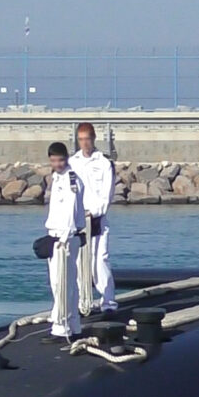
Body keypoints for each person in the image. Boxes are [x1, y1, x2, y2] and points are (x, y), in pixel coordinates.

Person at [41, 141, 88, 339]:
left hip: (64, 238)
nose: (57, 164)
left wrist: (62, 239)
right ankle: (73, 325)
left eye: (60, 160)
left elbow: (70, 211)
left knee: (62, 283)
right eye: (54, 160)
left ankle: (62, 328)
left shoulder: (71, 180)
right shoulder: (57, 177)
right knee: (66, 283)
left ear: (66, 159)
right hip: (59, 236)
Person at [70, 121, 116, 311]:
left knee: (100, 261)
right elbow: (70, 190)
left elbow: (107, 194)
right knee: (81, 264)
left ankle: (108, 302)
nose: (84, 144)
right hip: (78, 221)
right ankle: (83, 303)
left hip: (96, 220)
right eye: (81, 140)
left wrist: (94, 212)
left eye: (87, 139)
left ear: (93, 139)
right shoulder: (73, 162)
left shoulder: (104, 163)